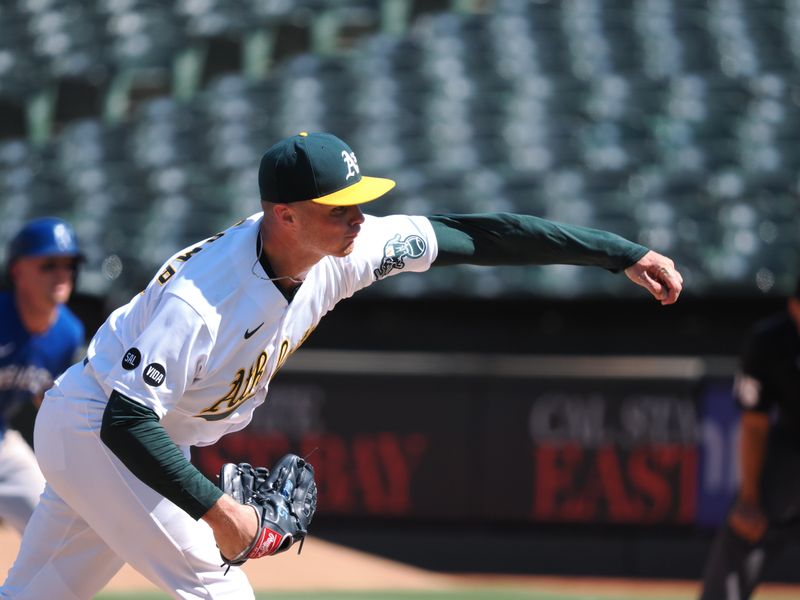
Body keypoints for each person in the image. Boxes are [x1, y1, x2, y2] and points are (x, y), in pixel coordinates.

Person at [1, 131, 683, 599]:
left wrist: (615, 252)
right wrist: (220, 511)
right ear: (284, 216)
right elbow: (125, 420)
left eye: (359, 200)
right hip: (103, 426)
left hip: (126, 429)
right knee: (214, 583)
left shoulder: (349, 249)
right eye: (338, 207)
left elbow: (474, 234)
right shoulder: (206, 298)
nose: (358, 217)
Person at [699, 275, 800, 600]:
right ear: (794, 307)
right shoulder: (771, 341)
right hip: (790, 447)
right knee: (744, 526)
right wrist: (749, 498)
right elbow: (754, 424)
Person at [0, 217, 84, 536]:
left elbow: (51, 405)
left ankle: (28, 589)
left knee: (54, 529)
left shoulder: (68, 333)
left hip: (2, 443)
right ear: (18, 270)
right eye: (49, 264)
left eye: (69, 264)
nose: (62, 273)